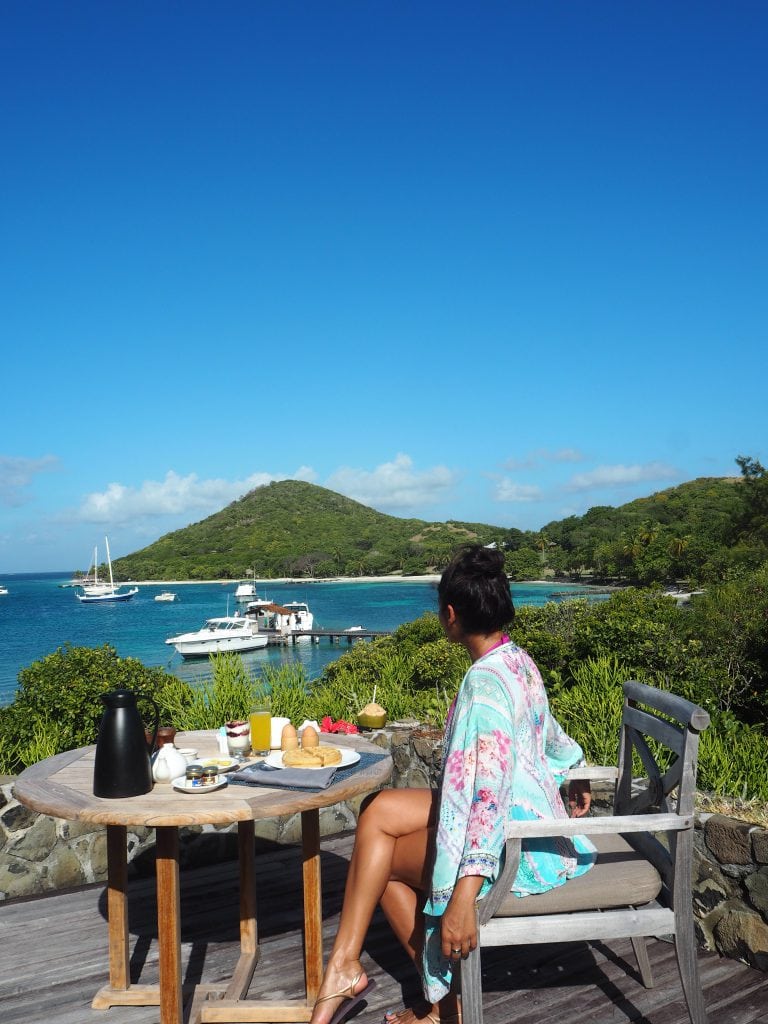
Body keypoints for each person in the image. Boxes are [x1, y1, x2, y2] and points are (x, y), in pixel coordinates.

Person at [309, 545, 595, 1024]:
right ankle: (345, 964)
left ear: (450, 615)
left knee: (377, 868)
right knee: (378, 811)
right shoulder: (517, 659)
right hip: (530, 816)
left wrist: (464, 895)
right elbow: (549, 734)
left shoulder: (484, 687)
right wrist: (576, 768)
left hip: (518, 846)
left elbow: (487, 799)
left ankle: (441, 1008)